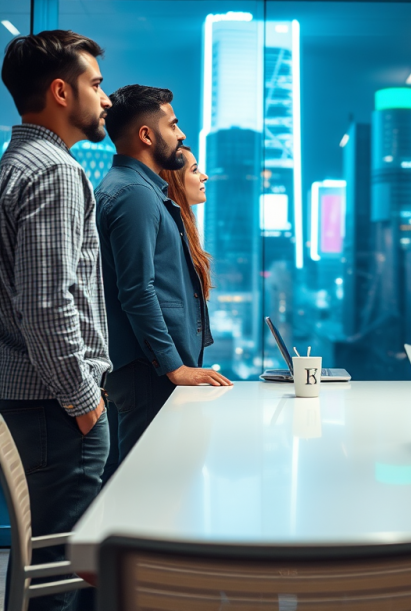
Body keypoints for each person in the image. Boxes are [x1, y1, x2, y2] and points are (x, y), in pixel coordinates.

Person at [0, 30, 112, 611]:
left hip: (35, 404)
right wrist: (85, 403)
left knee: (45, 569)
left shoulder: (15, 162)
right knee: (64, 583)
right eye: (95, 84)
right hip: (56, 410)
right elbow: (47, 305)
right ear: (62, 92)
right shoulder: (55, 172)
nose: (106, 98)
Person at [96, 85, 231, 466]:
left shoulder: (143, 191)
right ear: (146, 135)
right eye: (173, 125)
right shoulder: (132, 194)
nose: (181, 134)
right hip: (147, 372)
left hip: (150, 370)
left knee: (158, 482)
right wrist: (173, 366)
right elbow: (137, 291)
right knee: (145, 484)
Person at [159, 145, 212, 303]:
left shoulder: (181, 226)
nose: (204, 176)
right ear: (175, 179)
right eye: (194, 170)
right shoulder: (168, 229)